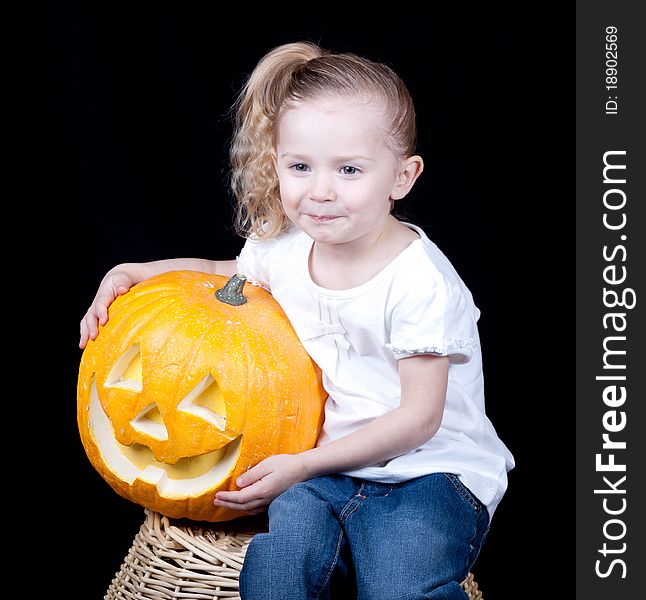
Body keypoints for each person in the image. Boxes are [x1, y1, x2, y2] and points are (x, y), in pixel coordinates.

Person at [79, 41, 515, 600]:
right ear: (277, 163)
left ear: (402, 177)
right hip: (326, 472)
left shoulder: (420, 283)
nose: (320, 190)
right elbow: (222, 272)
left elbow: (417, 420)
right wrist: (137, 271)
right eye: (300, 166)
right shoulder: (283, 248)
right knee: (277, 566)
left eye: (350, 169)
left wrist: (301, 464)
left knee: (399, 581)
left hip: (429, 474)